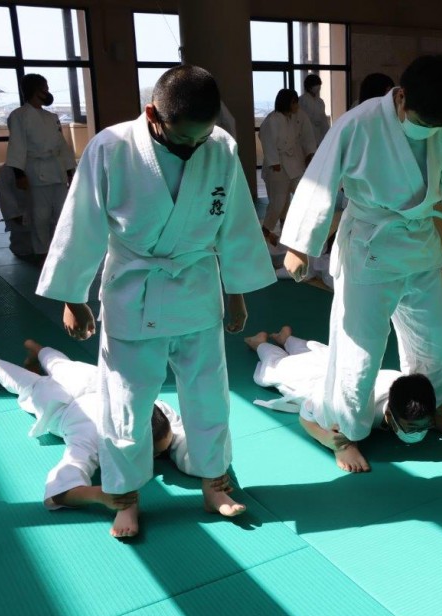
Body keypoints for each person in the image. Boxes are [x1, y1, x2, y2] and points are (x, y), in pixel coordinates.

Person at [35, 65, 277, 539]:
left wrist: (237, 292)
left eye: (203, 137)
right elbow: (81, 223)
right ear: (152, 115)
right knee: (125, 403)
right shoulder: (111, 147)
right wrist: (73, 297)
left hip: (196, 289)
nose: (194, 148)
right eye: (184, 139)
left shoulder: (221, 148)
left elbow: (237, 227)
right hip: (133, 290)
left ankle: (214, 485)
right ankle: (125, 499)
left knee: (208, 397)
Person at [279, 55, 442, 461]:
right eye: (424, 121)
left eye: (437, 125)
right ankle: (345, 431)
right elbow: (320, 179)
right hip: (370, 247)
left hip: (420, 246)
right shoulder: (358, 123)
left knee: (435, 345)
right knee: (360, 350)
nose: (430, 130)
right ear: (401, 96)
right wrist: (299, 245)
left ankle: (435, 409)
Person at [0, 340, 195, 537]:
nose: (159, 457)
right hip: (59, 402)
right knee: (22, 381)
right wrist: (99, 495)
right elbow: (59, 490)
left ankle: (38, 349)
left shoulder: (155, 410)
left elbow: (179, 435)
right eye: (156, 453)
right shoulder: (90, 439)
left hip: (94, 382)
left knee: (61, 365)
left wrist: (204, 466)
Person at [244, 326, 437, 473]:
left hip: (347, 373)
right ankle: (259, 342)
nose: (419, 433)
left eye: (424, 426)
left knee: (321, 354)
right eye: (412, 428)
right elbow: (306, 413)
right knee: (277, 371)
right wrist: (326, 438)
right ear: (388, 414)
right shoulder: (354, 407)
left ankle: (286, 338)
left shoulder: (410, 394)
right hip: (319, 382)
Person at [5, 74, 76, 257]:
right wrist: (18, 174)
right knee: (40, 216)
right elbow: (17, 145)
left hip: (56, 169)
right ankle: (41, 251)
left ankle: (62, 250)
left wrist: (70, 170)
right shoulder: (19, 116)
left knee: (63, 213)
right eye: (44, 88)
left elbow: (61, 145)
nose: (47, 92)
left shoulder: (51, 117)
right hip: (36, 171)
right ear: (35, 90)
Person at [259, 89, 317, 240]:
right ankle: (265, 230)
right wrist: (274, 162)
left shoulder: (293, 118)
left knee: (301, 195)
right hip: (277, 167)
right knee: (278, 203)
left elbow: (306, 135)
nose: (297, 105)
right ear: (287, 103)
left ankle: (290, 227)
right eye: (294, 102)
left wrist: (310, 153)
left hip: (294, 164)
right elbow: (267, 140)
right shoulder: (272, 120)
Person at [0, 165, 35, 258]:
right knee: (22, 248)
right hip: (20, 216)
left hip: (41, 213)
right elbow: (5, 196)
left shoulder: (39, 164)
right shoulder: (6, 171)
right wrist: (14, 214)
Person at [298, 73, 330, 146]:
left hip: (319, 135)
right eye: (316, 84)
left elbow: (323, 120)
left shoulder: (320, 102)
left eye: (319, 85)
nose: (318, 87)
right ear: (309, 86)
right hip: (306, 134)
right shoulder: (302, 100)